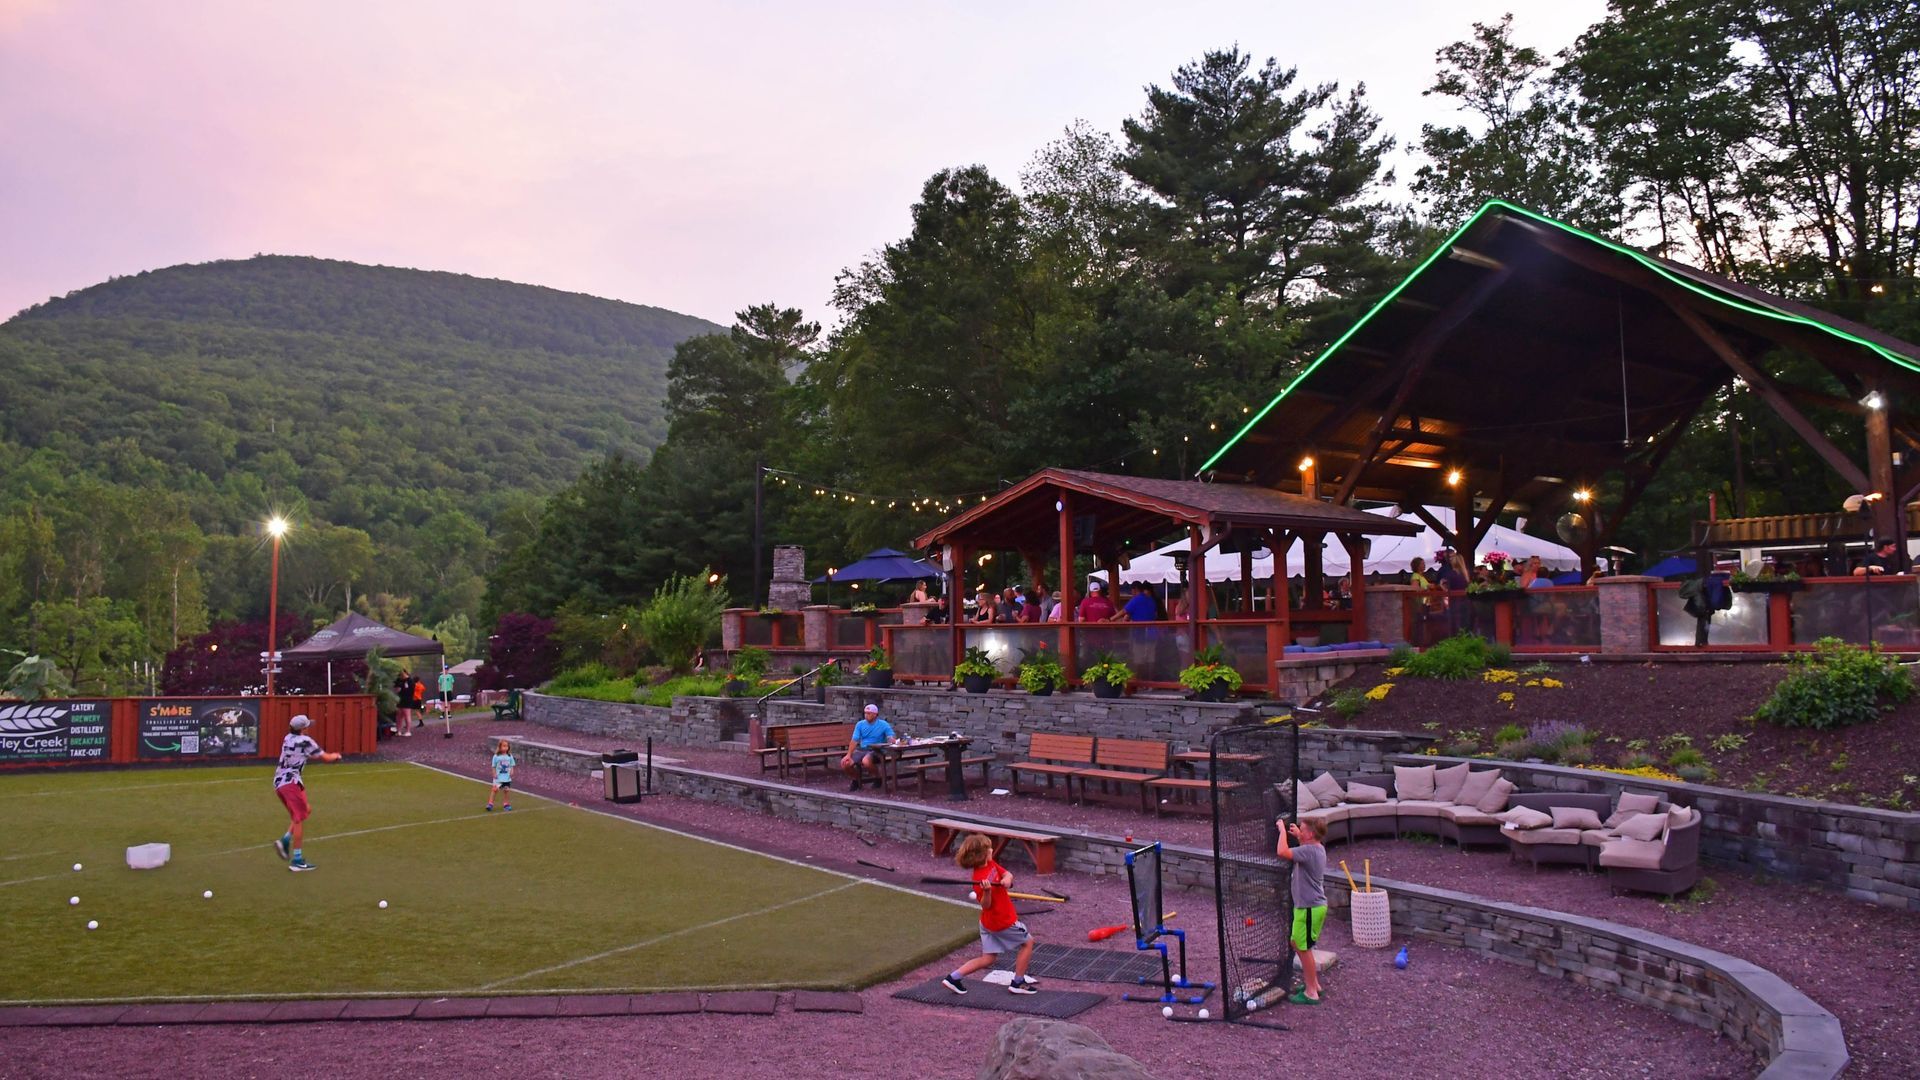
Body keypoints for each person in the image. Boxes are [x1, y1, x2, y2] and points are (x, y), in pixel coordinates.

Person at [941, 833, 1040, 996]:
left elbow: (1007, 874)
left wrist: (1007, 879)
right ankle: (1018, 982)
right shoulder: (978, 878)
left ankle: (953, 978)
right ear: (983, 854)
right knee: (1028, 942)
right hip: (1002, 922)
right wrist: (987, 891)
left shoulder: (991, 864)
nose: (992, 849)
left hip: (988, 924)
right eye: (988, 848)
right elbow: (986, 905)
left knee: (988, 959)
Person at [273, 714, 341, 872]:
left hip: (280, 782)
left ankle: (284, 840)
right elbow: (325, 757)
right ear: (303, 728)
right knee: (298, 819)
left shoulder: (287, 738)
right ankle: (297, 860)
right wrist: (336, 756)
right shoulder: (306, 741)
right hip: (291, 783)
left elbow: (302, 753)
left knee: (305, 811)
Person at [1276, 816, 1327, 1005]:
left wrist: (1282, 831)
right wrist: (1299, 836)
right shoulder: (1316, 847)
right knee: (1297, 944)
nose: (1299, 830)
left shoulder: (1309, 851)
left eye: (1302, 829)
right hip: (1307, 907)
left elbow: (1282, 851)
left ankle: (1311, 992)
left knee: (1302, 948)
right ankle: (1314, 984)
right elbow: (1303, 847)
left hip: (1309, 908)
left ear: (1311, 834)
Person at [840, 703, 895, 791]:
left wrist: (891, 739)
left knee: (866, 761)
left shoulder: (883, 724)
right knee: (845, 763)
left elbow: (890, 736)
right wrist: (848, 755)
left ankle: (877, 778)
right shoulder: (860, 724)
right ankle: (856, 780)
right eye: (865, 713)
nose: (866, 715)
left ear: (875, 714)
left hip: (876, 750)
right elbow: (854, 740)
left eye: (869, 713)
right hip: (862, 749)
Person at [485, 738, 516, 811]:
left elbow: (512, 764)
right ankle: (490, 803)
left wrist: (512, 770)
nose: (505, 748)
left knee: (506, 790)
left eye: (507, 746)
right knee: (495, 790)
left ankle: (506, 804)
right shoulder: (496, 756)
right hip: (498, 777)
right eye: (504, 746)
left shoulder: (509, 756)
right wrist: (494, 773)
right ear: (500, 747)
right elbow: (493, 766)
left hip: (506, 778)